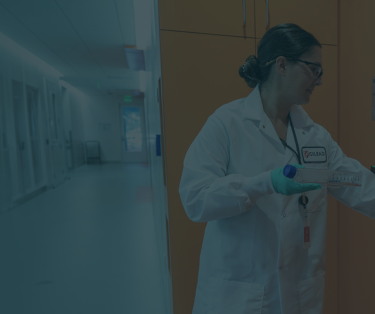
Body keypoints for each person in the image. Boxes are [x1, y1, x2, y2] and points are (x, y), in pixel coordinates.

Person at [178, 23, 375, 314]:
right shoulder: (226, 124)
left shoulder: (315, 136)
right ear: (282, 65)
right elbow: (195, 197)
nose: (319, 80)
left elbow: (356, 183)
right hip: (239, 294)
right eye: (313, 69)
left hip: (297, 292)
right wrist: (264, 183)